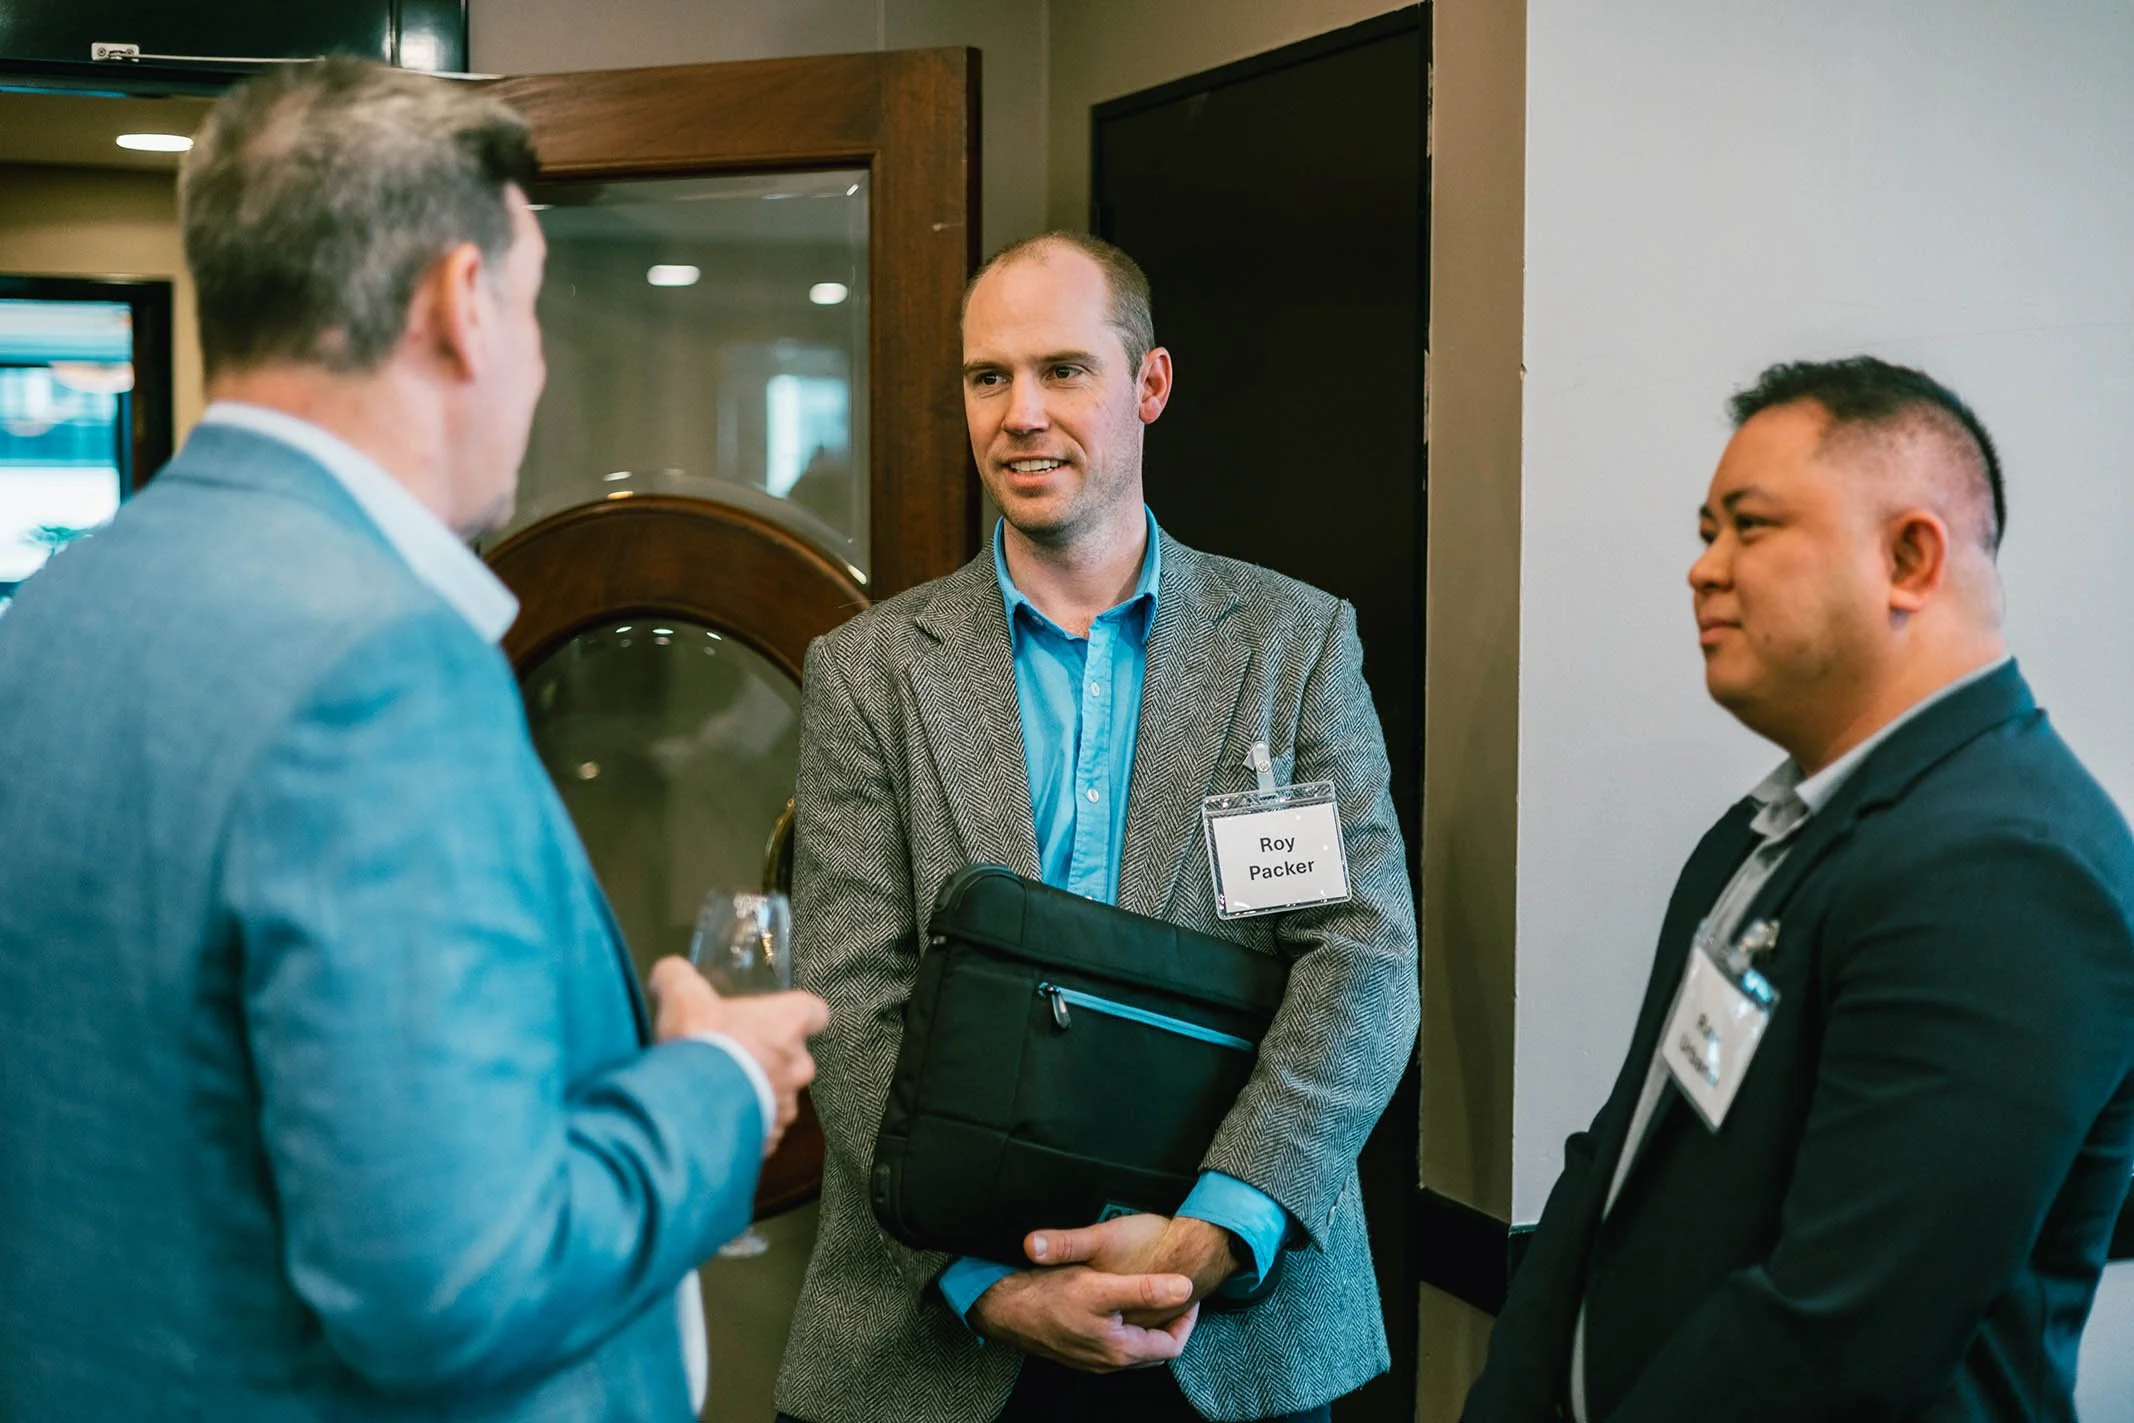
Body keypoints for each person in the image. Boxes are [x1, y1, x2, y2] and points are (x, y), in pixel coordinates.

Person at [0, 58, 827, 1421]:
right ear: (458, 303)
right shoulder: (377, 664)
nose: (542, 354)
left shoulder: (59, 606)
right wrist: (717, 1081)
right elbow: (456, 1282)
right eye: (536, 297)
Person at [772, 230, 1420, 1423]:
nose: (1020, 414)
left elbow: (1361, 960)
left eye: (1063, 370)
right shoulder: (871, 674)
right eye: (988, 377)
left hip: (1233, 1327)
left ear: (1149, 385)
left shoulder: (1290, 645)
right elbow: (851, 997)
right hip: (941, 1337)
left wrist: (1222, 1227)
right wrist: (986, 1282)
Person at [1462, 357, 2134, 1421]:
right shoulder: (1760, 834)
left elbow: (1838, 1335)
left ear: (1910, 557)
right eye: (1704, 530)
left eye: (1750, 526)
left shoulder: (2008, 864)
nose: (1703, 568)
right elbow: (1613, 1166)